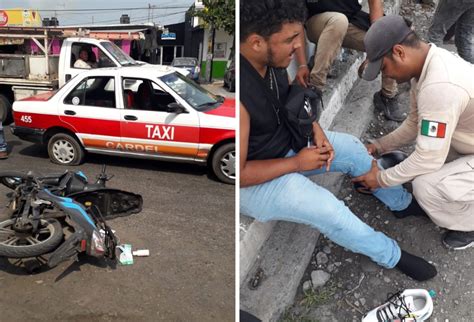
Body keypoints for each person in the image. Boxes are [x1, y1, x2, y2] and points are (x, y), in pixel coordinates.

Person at [240, 0, 437, 281]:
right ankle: (390, 254)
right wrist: (297, 163)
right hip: (255, 178)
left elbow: (292, 105)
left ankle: (401, 204)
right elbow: (242, 175)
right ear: (257, 42)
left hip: (288, 143)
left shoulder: (271, 60)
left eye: (299, 36)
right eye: (291, 40)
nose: (299, 47)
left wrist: (315, 130)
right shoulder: (241, 98)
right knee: (329, 209)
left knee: (356, 151)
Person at [354, 15, 474, 250]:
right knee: (423, 161)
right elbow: (414, 122)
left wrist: (380, 179)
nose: (386, 76)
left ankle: (468, 224)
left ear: (399, 52)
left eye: (384, 68)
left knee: (425, 187)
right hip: (468, 140)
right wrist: (380, 145)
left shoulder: (440, 87)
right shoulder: (428, 64)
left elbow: (429, 158)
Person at [293, 0, 407, 122]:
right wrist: (302, 65)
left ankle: (387, 96)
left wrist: (376, 46)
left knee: (391, 37)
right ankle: (314, 89)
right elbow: (295, 22)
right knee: (339, 21)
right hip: (318, 22)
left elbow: (375, 2)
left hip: (351, 19)